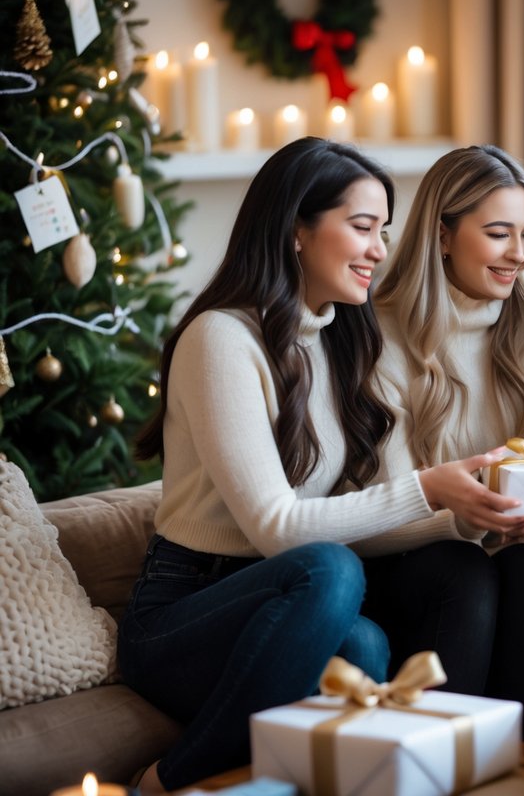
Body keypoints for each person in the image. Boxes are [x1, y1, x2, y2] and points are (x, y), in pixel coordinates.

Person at [121, 139, 498, 793]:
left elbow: (332, 524)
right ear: (297, 227)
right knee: (331, 570)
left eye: (382, 230)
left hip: (288, 604)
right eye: (361, 227)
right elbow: (278, 530)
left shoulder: (332, 341)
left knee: (369, 644)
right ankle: (168, 781)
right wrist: (423, 487)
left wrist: (459, 513)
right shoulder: (220, 338)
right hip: (186, 612)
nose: (379, 249)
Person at [372, 145, 524, 740]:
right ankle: (439, 761)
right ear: (443, 234)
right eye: (498, 233)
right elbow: (380, 503)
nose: (519, 254)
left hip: (500, 548)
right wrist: (468, 520)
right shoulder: (378, 333)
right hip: (407, 556)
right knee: (464, 571)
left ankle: (523, 765)